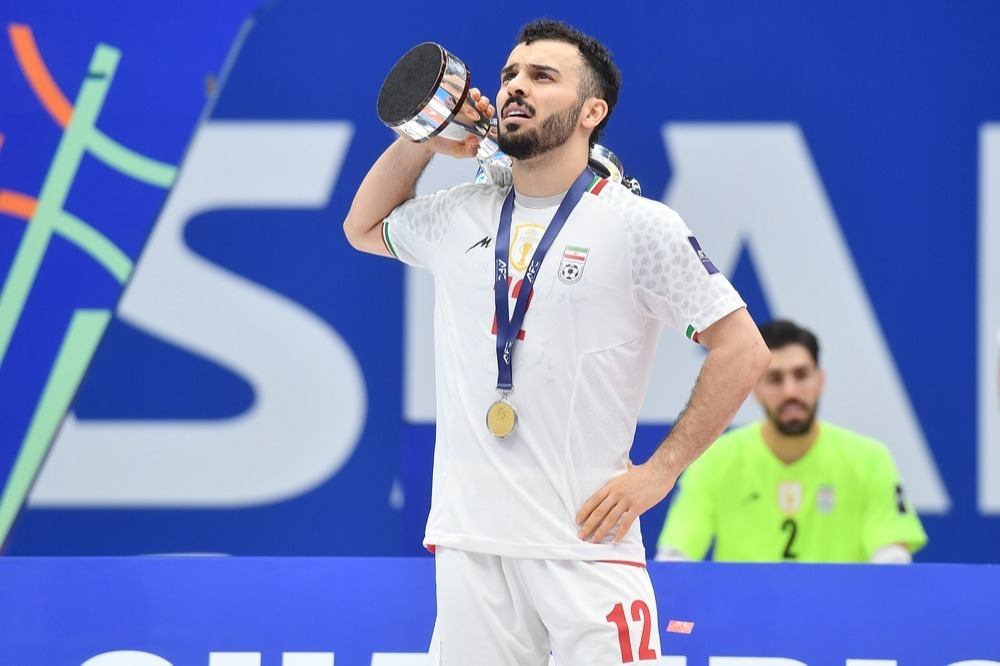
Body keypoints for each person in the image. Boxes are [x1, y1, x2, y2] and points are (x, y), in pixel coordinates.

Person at [343, 19, 770, 664]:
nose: (515, 86)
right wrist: (425, 139)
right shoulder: (461, 211)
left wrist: (660, 473)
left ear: (591, 112)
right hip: (472, 545)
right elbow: (363, 227)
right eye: (509, 74)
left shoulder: (637, 225)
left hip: (586, 546)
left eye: (543, 76)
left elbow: (744, 350)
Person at [655, 319, 928, 564]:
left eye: (801, 375)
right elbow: (675, 558)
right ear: (754, 389)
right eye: (775, 379)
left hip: (841, 606)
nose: (790, 392)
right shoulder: (714, 460)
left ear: (820, 381)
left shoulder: (870, 460)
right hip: (747, 606)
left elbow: (893, 562)